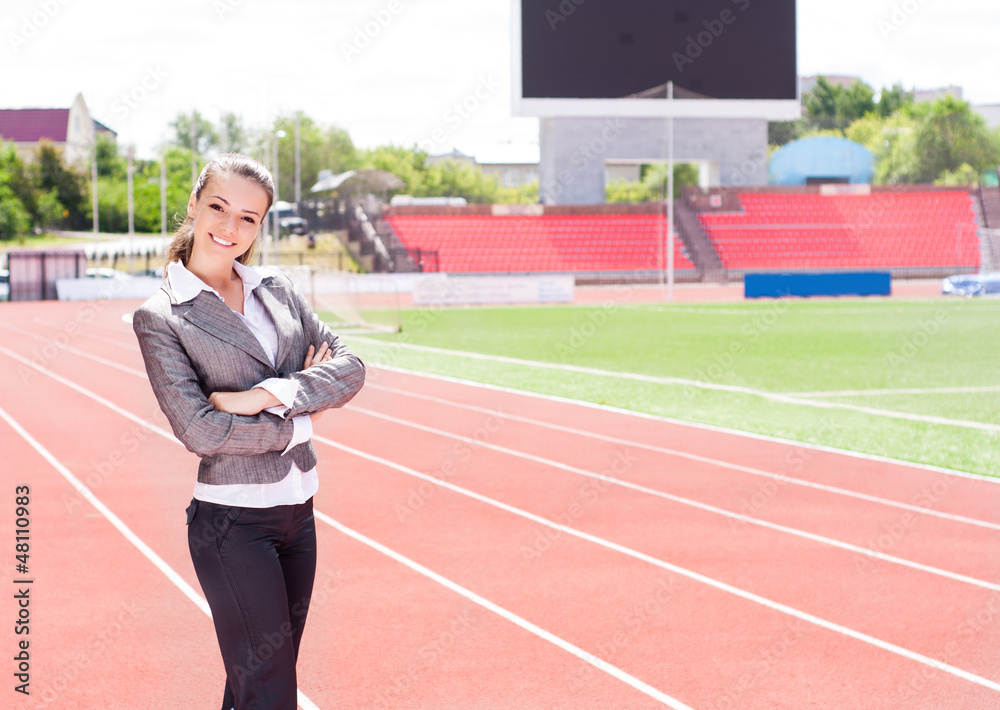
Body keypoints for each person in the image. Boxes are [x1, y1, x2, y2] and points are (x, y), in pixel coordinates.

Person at [132, 153, 365, 710]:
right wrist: (299, 418)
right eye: (218, 207)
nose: (230, 227)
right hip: (232, 524)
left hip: (298, 514)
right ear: (193, 204)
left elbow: (351, 367)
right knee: (272, 694)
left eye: (249, 217)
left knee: (252, 689)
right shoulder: (163, 316)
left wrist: (265, 396)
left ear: (261, 226)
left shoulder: (277, 289)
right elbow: (201, 431)